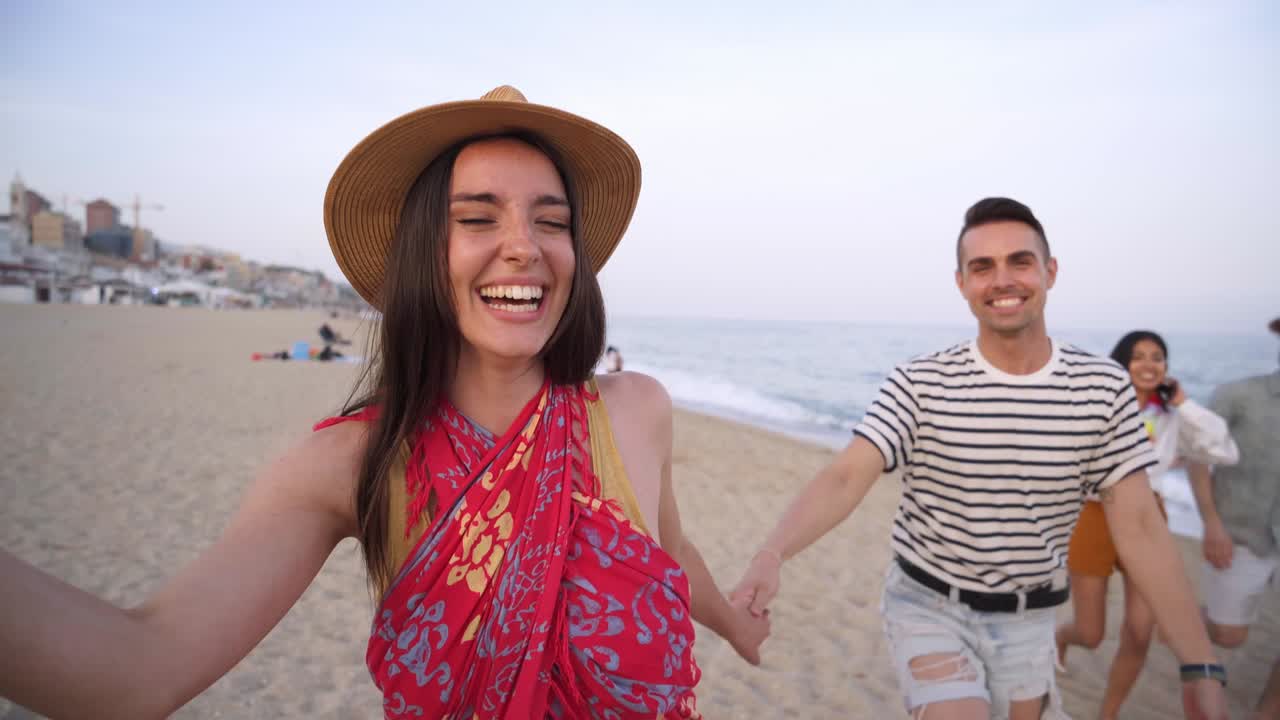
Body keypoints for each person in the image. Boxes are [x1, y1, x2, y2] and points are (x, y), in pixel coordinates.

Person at [0, 85, 768, 719]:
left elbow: (670, 553)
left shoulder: (637, 411)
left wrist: (733, 623)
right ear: (425, 254)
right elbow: (140, 669)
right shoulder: (348, 463)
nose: (524, 246)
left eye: (552, 221)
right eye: (477, 218)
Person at [730, 197, 1230, 720]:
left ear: (1050, 272)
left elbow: (1142, 526)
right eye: (983, 267)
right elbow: (846, 475)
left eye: (1020, 262)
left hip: (1032, 617)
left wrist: (1200, 664)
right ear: (962, 283)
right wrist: (772, 554)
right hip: (928, 606)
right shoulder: (921, 381)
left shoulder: (1101, 388)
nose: (1002, 280)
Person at [1055, 330, 1238, 720]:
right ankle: (1061, 638)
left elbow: (1223, 449)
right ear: (1122, 363)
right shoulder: (1099, 405)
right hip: (1094, 514)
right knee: (1090, 633)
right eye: (1138, 356)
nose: (1148, 364)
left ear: (1166, 367)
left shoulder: (1172, 416)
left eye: (1157, 357)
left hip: (1149, 514)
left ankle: (1109, 713)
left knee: (1140, 632)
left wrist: (1184, 402)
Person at [1191, 317, 1280, 720]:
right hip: (1240, 533)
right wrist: (1211, 523)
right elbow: (1197, 456)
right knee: (1227, 635)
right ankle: (1192, 619)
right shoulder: (1238, 394)